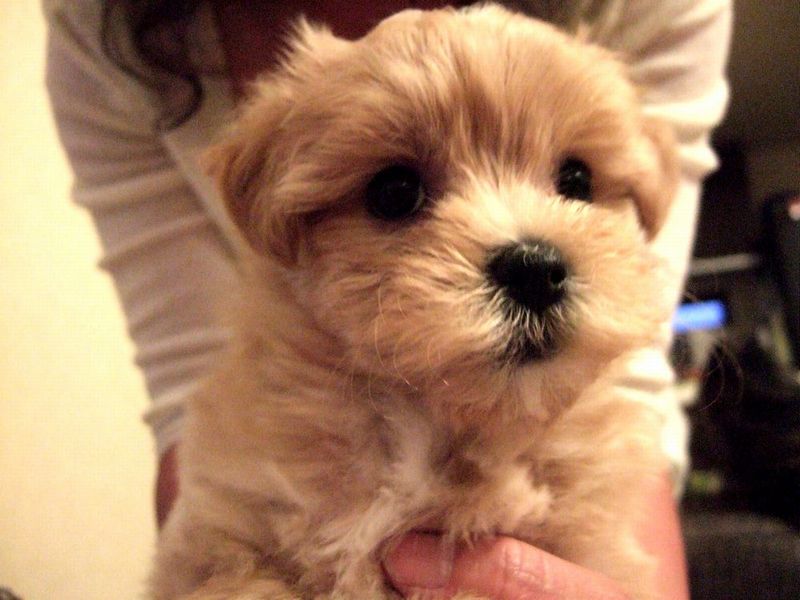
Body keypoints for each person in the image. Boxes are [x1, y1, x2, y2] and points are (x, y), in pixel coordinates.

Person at [45, 0, 731, 597]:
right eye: (398, 194)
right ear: (274, 220)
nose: (529, 248)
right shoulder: (254, 459)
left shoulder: (598, 459)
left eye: (574, 181)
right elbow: (199, 535)